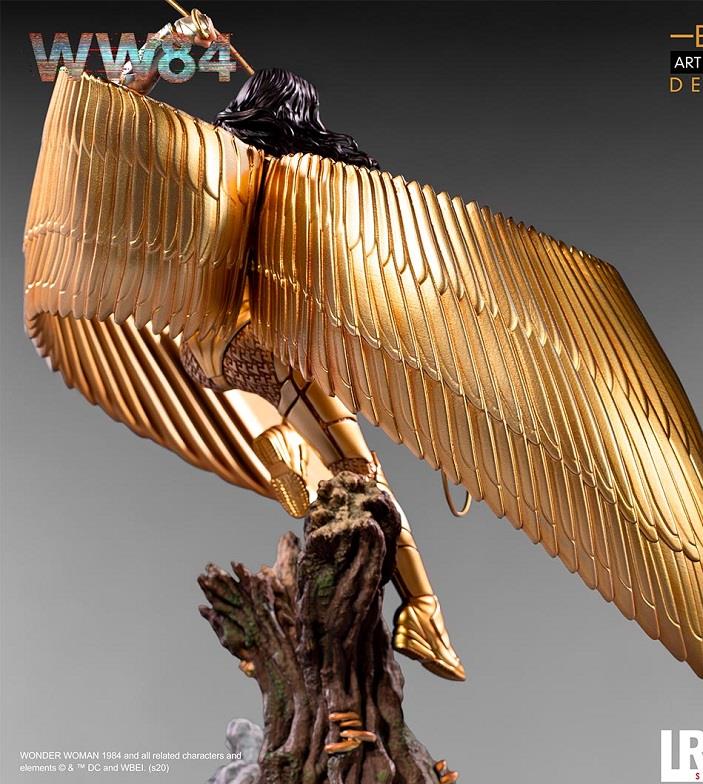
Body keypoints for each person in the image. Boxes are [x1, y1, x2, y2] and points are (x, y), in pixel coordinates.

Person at [117, 11, 465, 681]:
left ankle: (292, 489)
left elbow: (112, 108)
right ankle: (424, 611)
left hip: (199, 350)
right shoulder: (310, 180)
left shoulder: (206, 162)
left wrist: (168, 47)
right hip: (265, 345)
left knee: (322, 484)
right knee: (361, 476)